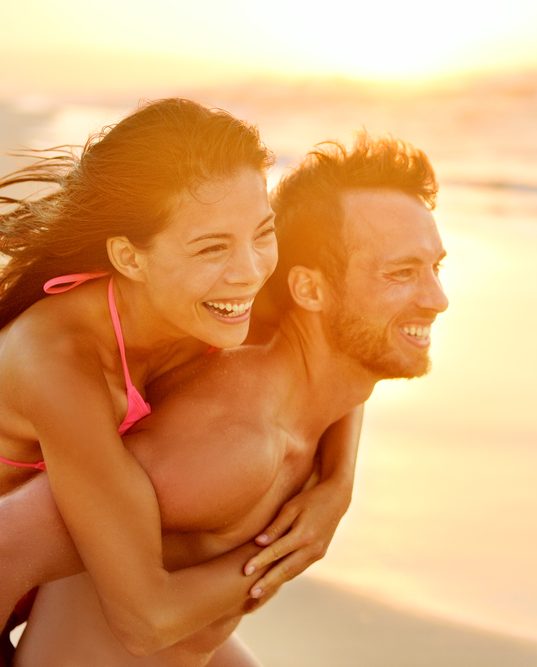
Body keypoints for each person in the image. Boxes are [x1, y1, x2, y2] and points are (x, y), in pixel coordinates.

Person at [1, 134, 448, 666]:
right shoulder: (220, 442)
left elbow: (340, 354)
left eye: (435, 268)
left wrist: (338, 484)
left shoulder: (230, 321)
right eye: (400, 273)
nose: (438, 300)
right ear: (309, 290)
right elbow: (10, 542)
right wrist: (283, 558)